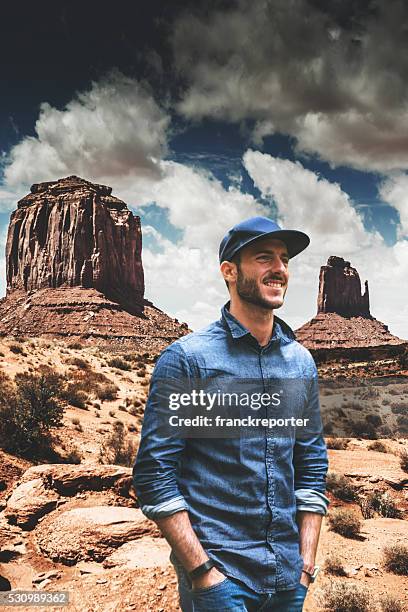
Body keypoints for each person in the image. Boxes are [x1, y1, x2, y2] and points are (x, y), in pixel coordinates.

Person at [133, 216, 329, 612]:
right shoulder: (189, 361)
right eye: (263, 258)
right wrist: (202, 571)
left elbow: (310, 466)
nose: (279, 269)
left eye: (284, 259)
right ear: (229, 271)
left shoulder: (300, 363)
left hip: (288, 580)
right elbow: (155, 474)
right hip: (222, 580)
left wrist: (306, 564)